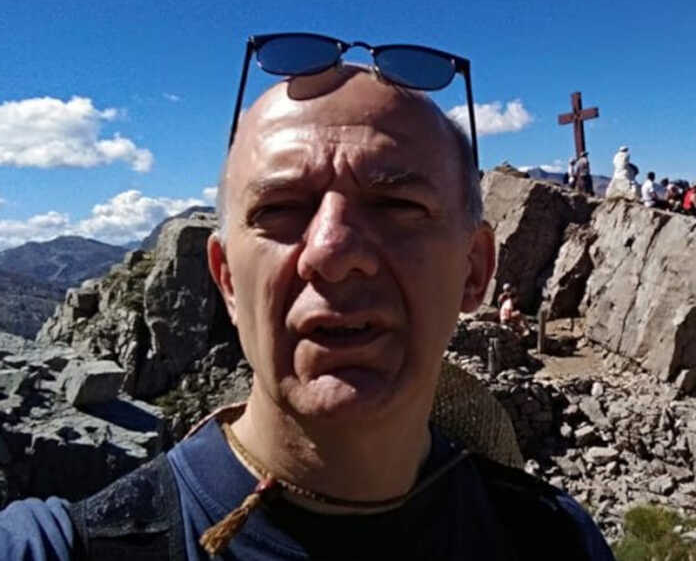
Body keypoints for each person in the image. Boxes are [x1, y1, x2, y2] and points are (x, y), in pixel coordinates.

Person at [0, 61, 614, 559]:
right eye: (281, 209)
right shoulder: (61, 547)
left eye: (397, 205)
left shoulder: (556, 541)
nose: (332, 251)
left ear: (474, 271)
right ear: (226, 280)